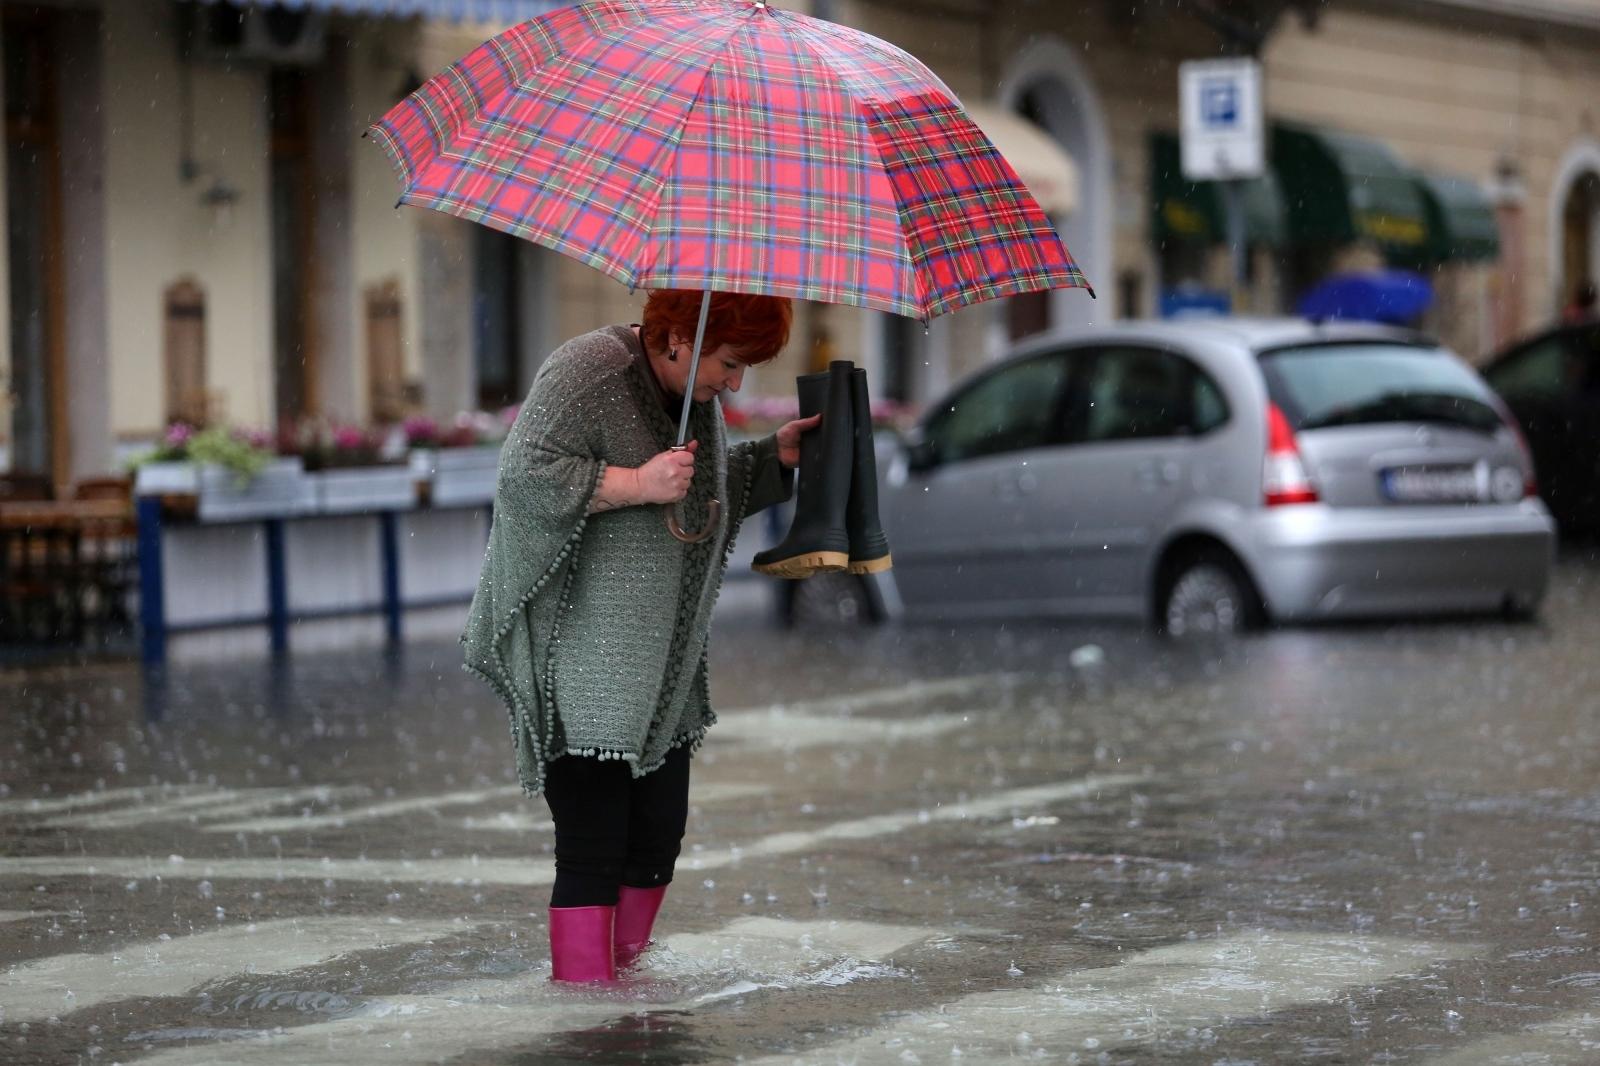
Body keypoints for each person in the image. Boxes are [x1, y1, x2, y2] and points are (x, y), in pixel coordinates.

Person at [461, 289, 817, 984]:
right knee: (594, 850)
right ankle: (586, 1014)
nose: (735, 382)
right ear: (680, 336)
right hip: (585, 665)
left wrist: (776, 456)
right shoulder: (589, 369)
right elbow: (524, 479)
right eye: (730, 362)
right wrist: (633, 482)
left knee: (657, 840)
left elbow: (701, 494)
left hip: (663, 676)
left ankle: (622, 998)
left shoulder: (697, 402)